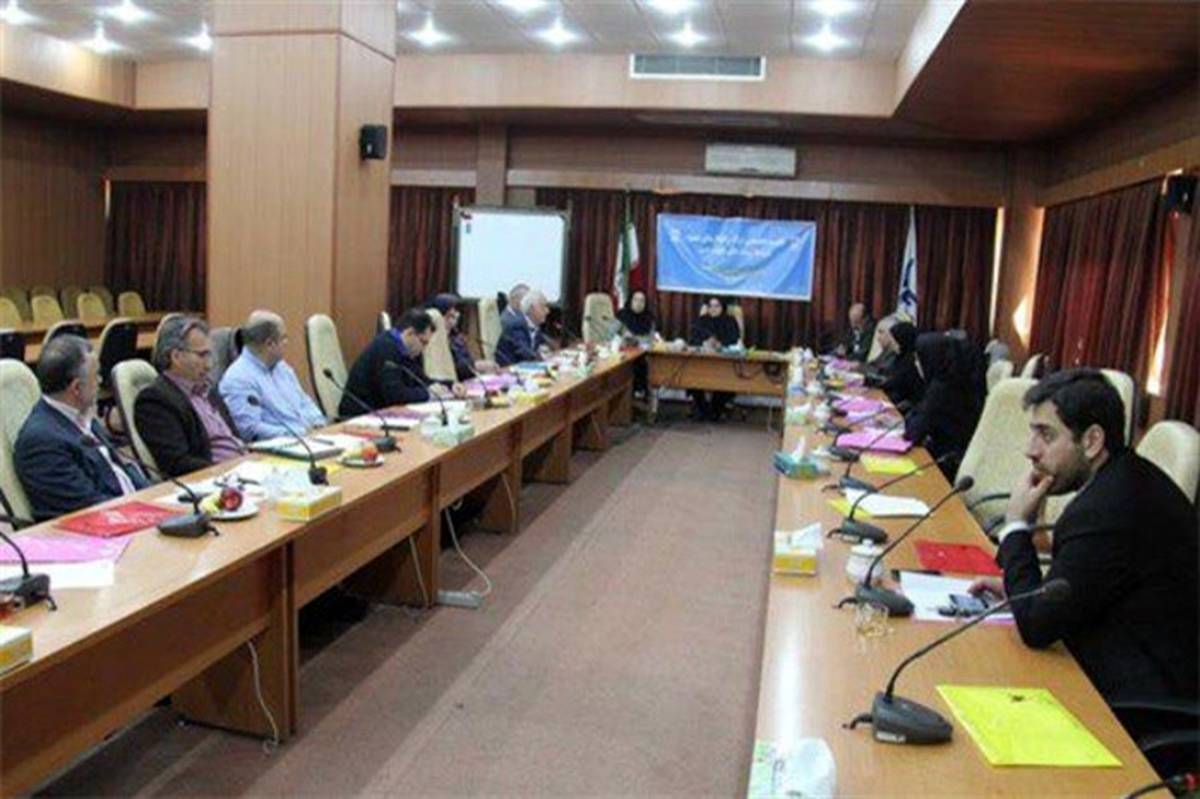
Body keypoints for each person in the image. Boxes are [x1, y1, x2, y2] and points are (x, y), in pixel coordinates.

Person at [970, 370, 1197, 772]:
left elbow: (1037, 627)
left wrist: (1016, 524)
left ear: (1091, 441)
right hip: (1124, 659)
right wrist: (1024, 590)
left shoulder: (1109, 508)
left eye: (1046, 435)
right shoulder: (1124, 481)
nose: (1030, 451)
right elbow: (1079, 589)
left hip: (1142, 704)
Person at [15, 335, 150, 520]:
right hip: (103, 527)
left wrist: (157, 498)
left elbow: (121, 470)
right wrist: (146, 513)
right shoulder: (42, 441)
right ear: (77, 388)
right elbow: (87, 508)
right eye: (96, 376)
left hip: (130, 510)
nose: (100, 381)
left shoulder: (81, 417)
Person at [135, 316, 247, 478]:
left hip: (242, 468)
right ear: (176, 356)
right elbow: (177, 463)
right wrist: (225, 471)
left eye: (209, 355)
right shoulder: (155, 400)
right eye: (202, 355)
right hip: (214, 480)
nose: (209, 365)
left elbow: (234, 438)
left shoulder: (208, 390)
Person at [218, 310, 327, 441]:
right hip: (279, 446)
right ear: (270, 344)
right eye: (283, 338)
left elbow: (304, 401)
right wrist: (300, 433)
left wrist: (318, 422)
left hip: (309, 439)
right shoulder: (239, 379)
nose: (286, 342)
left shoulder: (282, 368)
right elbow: (250, 429)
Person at [340, 309, 464, 416]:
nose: (424, 349)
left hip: (382, 414)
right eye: (423, 342)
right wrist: (428, 394)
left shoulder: (407, 350)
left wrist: (450, 385)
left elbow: (420, 380)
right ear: (410, 333)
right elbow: (395, 396)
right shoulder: (385, 348)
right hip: (359, 416)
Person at [902, 332, 983, 478]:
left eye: (919, 358)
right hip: (953, 455)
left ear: (931, 358)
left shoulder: (941, 389)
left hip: (944, 464)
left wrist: (911, 416)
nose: (916, 364)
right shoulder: (958, 380)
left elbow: (913, 433)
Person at [688, 296, 742, 421]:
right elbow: (692, 340)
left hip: (724, 364)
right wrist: (704, 343)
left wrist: (720, 344)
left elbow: (735, 341)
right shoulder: (701, 321)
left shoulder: (730, 321)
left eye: (717, 306)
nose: (713, 309)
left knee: (725, 378)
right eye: (710, 306)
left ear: (722, 308)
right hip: (701, 363)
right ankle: (701, 408)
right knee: (691, 375)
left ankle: (716, 410)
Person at [425, 293, 496, 380]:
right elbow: (454, 368)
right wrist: (477, 366)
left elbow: (466, 361)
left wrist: (479, 367)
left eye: (456, 311)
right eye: (451, 314)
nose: (456, 314)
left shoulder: (456, 337)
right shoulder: (432, 341)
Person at [870, 321, 923, 409]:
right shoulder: (899, 357)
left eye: (894, 340)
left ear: (902, 340)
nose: (892, 343)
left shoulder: (912, 363)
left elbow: (903, 389)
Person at [495, 289, 552, 367]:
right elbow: (525, 353)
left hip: (525, 368)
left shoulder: (534, 326)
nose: (547, 311)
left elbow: (543, 347)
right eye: (543, 306)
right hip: (508, 369)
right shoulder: (516, 325)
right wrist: (547, 360)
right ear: (532, 308)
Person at [616, 290, 656, 396]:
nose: (639, 303)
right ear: (630, 301)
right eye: (636, 300)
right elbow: (610, 335)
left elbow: (650, 340)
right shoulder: (621, 315)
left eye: (642, 301)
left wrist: (636, 340)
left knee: (642, 363)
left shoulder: (649, 318)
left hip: (641, 355)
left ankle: (638, 392)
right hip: (621, 356)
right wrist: (622, 338)